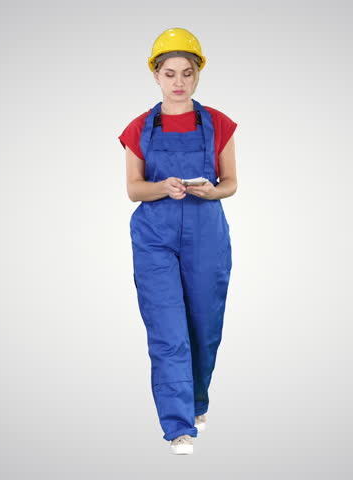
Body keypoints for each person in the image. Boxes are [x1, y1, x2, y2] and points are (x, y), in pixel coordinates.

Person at [118, 27, 238, 455]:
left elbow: (232, 184)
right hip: (155, 237)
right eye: (169, 73)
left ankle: (196, 402)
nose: (179, 81)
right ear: (156, 75)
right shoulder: (139, 128)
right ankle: (178, 426)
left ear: (198, 74)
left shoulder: (219, 124)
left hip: (207, 234)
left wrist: (210, 190)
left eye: (187, 72)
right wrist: (162, 186)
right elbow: (133, 189)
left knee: (204, 330)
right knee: (169, 332)